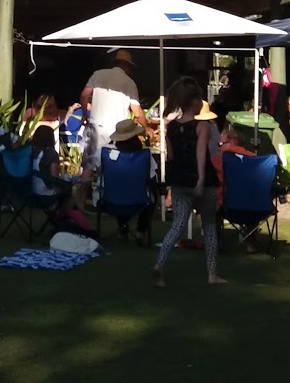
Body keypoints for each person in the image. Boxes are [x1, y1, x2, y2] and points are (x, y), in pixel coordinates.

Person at [153, 77, 225, 287]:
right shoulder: (202, 126)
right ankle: (212, 274)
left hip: (179, 178)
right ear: (193, 101)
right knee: (210, 226)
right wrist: (201, 178)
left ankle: (159, 265)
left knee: (177, 226)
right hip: (201, 178)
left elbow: (172, 155)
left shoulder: (171, 126)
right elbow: (201, 153)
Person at [78, 50, 153, 205]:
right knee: (116, 166)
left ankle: (79, 202)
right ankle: (114, 200)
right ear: (127, 66)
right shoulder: (129, 83)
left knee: (88, 166)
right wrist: (146, 127)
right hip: (117, 132)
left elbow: (84, 95)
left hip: (95, 126)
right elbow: (137, 111)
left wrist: (85, 114)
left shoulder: (97, 74)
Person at [106, 118, 155, 246]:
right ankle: (140, 231)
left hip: (112, 199)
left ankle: (123, 231)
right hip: (139, 200)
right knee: (150, 192)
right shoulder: (144, 156)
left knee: (120, 188)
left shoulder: (108, 155)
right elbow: (152, 177)